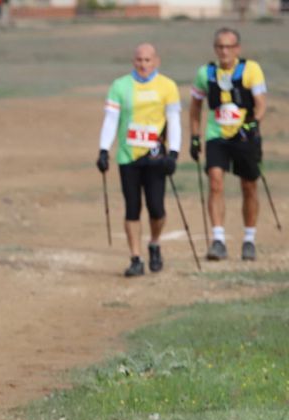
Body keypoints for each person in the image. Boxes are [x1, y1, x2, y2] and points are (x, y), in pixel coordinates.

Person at [96, 43, 181, 277]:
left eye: (147, 60)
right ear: (133, 61)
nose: (143, 65)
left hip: (155, 157)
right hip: (128, 156)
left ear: (156, 61)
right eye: (139, 60)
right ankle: (135, 258)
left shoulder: (167, 86)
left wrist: (173, 153)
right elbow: (111, 119)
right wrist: (104, 150)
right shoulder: (120, 86)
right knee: (132, 208)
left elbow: (173, 120)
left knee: (156, 208)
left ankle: (154, 243)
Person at [189, 27, 267, 262]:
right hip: (216, 136)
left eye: (228, 47)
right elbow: (195, 107)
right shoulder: (205, 73)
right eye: (220, 47)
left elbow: (260, 104)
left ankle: (249, 239)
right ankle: (218, 240)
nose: (224, 51)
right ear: (215, 49)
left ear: (237, 49)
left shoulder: (251, 70)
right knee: (215, 181)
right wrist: (194, 137)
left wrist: (252, 124)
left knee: (249, 186)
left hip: (244, 136)